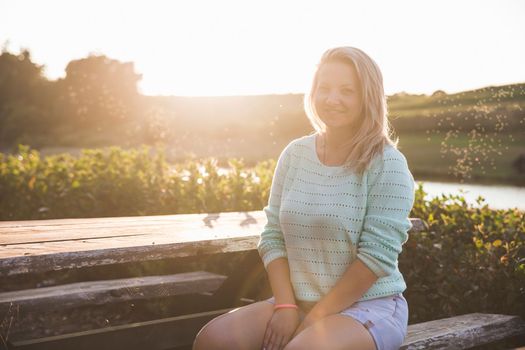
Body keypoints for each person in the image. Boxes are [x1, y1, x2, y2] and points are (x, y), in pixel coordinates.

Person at [193, 46, 415, 350]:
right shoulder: (295, 153)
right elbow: (272, 236)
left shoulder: (388, 163)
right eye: (324, 88)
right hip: (296, 301)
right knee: (212, 340)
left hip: (368, 306)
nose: (331, 99)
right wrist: (286, 307)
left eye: (347, 91)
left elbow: (376, 258)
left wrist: (313, 321)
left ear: (368, 97)